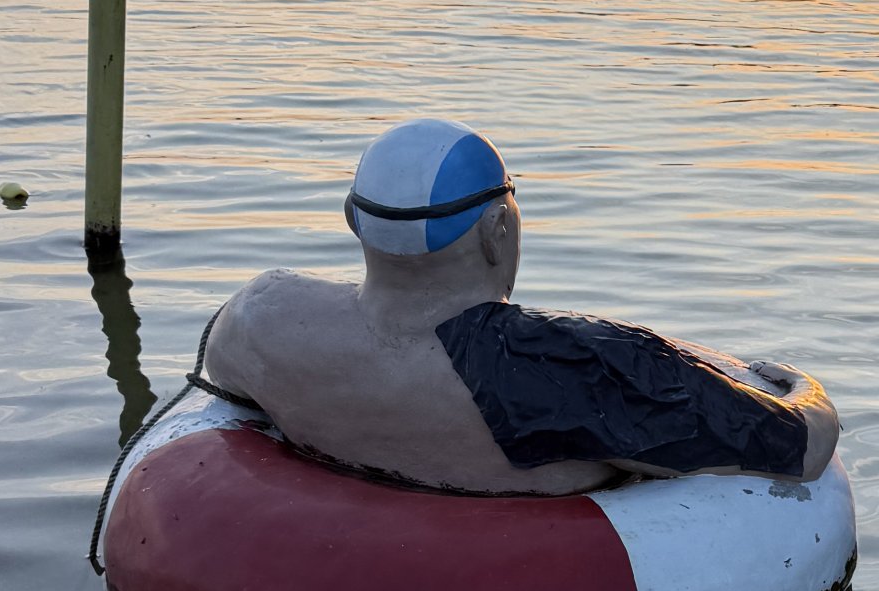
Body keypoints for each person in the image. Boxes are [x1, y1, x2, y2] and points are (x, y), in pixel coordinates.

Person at [203, 120, 839, 494]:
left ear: (352, 221)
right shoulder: (571, 365)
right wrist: (805, 391)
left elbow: (222, 376)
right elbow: (799, 448)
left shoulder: (265, 317)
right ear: (496, 230)